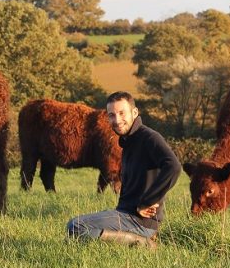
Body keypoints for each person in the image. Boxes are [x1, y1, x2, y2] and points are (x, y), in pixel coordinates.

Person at [66, 91, 182, 247]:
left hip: (140, 221)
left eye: (122, 113)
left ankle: (142, 243)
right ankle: (123, 241)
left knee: (76, 226)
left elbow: (173, 166)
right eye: (112, 115)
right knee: (75, 233)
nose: (117, 120)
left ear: (134, 112)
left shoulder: (149, 137)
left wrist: (148, 201)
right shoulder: (128, 141)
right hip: (125, 214)